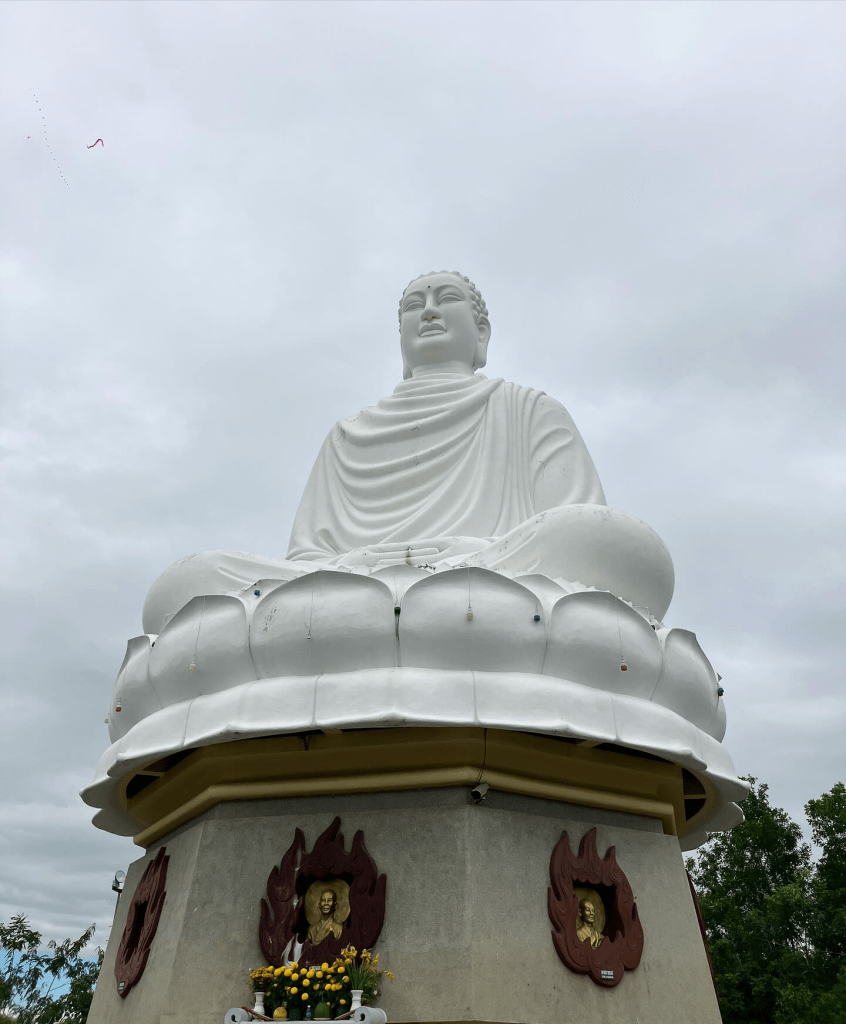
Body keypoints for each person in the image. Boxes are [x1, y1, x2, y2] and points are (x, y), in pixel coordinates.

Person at [141, 271, 673, 635]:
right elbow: (309, 561)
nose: (430, 311)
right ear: (401, 337)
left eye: (446, 299)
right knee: (186, 585)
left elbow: (569, 526)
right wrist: (366, 570)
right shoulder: (349, 433)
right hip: (353, 584)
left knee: (608, 541)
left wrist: (459, 559)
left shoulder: (528, 408)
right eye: (414, 307)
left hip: (494, 574)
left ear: (481, 333)